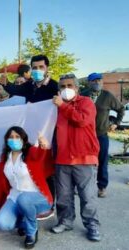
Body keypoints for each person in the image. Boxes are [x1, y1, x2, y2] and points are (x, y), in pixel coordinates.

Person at [51, 73, 101, 242]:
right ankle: (65, 221)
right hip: (62, 158)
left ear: (77, 88)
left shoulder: (86, 102)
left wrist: (63, 107)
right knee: (63, 196)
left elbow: (82, 120)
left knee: (88, 197)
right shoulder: (54, 106)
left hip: (84, 157)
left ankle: (92, 225)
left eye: (69, 85)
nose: (66, 89)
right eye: (62, 86)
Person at [0, 126, 53, 249]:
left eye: (17, 137)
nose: (14, 139)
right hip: (15, 196)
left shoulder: (30, 152)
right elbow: (3, 182)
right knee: (2, 223)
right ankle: (25, 224)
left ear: (23, 139)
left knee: (24, 199)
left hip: (38, 197)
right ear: (6, 140)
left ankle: (31, 231)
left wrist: (43, 146)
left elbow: (40, 155)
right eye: (11, 137)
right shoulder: (5, 158)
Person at [82, 72, 124, 198]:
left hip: (101, 134)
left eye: (99, 80)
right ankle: (84, 186)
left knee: (102, 161)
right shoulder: (83, 95)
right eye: (94, 81)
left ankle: (102, 187)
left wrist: (116, 123)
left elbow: (121, 109)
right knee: (84, 162)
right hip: (85, 135)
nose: (97, 83)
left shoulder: (107, 96)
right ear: (89, 82)